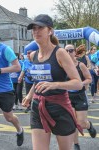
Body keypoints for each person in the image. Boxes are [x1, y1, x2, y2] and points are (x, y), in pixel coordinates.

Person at [22, 14, 83, 150]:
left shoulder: (60, 53)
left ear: (50, 31)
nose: (36, 31)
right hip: (38, 106)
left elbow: (78, 83)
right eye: (34, 29)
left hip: (59, 107)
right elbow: (39, 80)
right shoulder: (33, 55)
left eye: (40, 28)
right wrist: (30, 95)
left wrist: (55, 84)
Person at [65, 44, 97, 150]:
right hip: (68, 97)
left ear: (75, 52)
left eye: (71, 50)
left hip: (80, 96)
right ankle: (76, 144)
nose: (69, 53)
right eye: (66, 51)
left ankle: (89, 125)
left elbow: (89, 79)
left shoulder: (80, 65)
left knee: (81, 123)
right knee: (73, 122)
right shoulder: (62, 66)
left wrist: (81, 83)